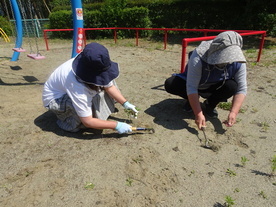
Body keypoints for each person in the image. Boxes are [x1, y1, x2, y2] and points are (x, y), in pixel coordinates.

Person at [42, 42, 138, 134]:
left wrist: (126, 104)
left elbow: (109, 86)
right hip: (56, 99)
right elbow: (87, 121)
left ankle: (96, 113)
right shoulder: (76, 85)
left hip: (70, 90)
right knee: (82, 120)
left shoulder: (89, 62)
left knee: (107, 82)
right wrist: (116, 125)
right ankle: (67, 121)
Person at [164, 31, 247, 130]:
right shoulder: (198, 57)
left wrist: (233, 112)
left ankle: (210, 104)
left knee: (232, 86)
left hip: (215, 86)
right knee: (171, 84)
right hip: (195, 84)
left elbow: (242, 89)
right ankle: (192, 101)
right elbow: (191, 87)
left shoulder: (238, 62)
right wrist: (198, 113)